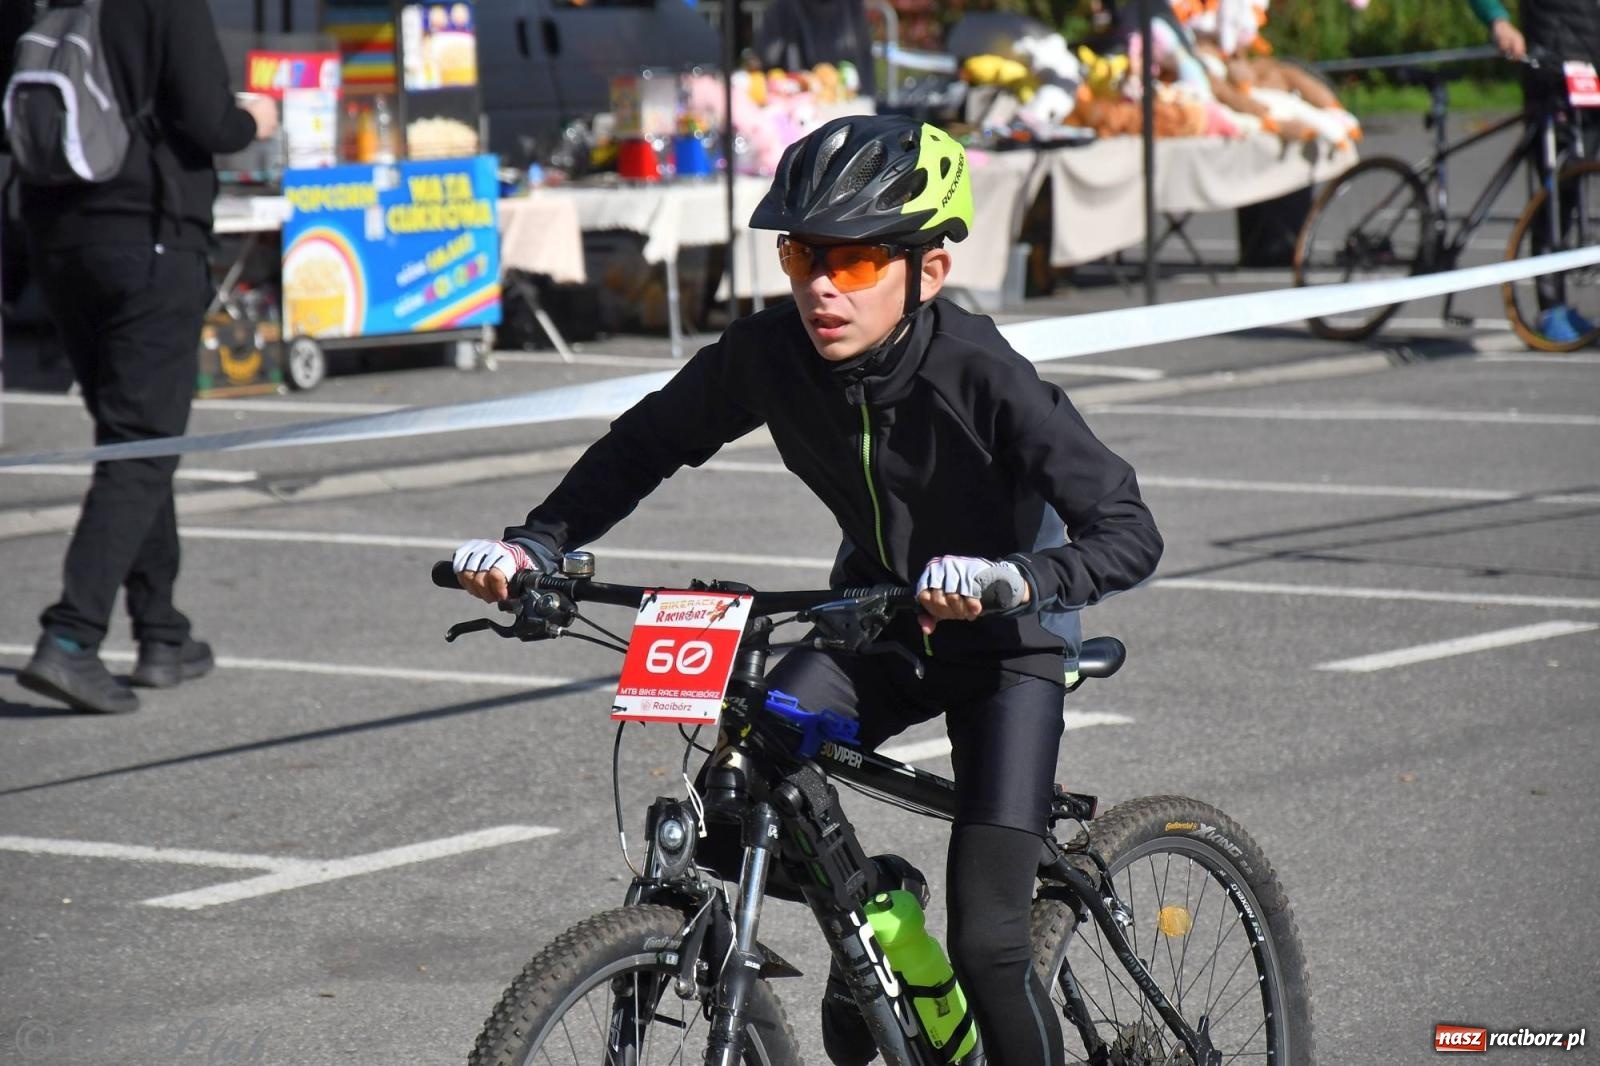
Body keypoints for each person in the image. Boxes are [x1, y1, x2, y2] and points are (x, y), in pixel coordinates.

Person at [451, 115, 1163, 1066]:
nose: (823, 285)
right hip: (876, 620)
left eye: (859, 261)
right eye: (801, 256)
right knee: (735, 798)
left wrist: (1018, 579)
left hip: (1007, 647)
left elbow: (1128, 529)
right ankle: (875, 910)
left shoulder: (980, 373)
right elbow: (647, 443)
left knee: (991, 947)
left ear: (928, 273)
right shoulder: (772, 353)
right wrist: (540, 544)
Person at [14, 0, 278, 714]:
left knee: (132, 438)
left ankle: (162, 631)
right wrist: (257, 119)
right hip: (150, 237)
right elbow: (207, 118)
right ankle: (71, 637)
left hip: (58, 237)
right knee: (141, 446)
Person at [1470, 0, 1600, 342]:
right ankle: (1550, 307)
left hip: (1591, 74)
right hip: (1551, 70)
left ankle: (1562, 306)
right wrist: (1497, 21)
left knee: (1574, 189)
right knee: (1553, 194)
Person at [755, 0, 878, 99]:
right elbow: (768, 55)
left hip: (840, 96)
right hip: (798, 99)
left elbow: (767, 56)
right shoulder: (782, 8)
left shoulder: (852, 6)